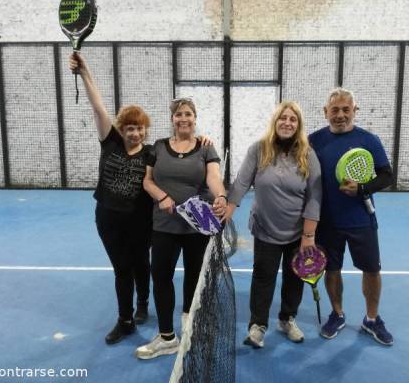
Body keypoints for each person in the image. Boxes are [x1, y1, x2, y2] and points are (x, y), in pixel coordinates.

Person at [69, 53, 153, 345]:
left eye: (139, 127)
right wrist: (84, 72)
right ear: (122, 128)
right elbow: (97, 106)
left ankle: (143, 303)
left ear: (146, 130)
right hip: (107, 219)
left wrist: (204, 143)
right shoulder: (111, 141)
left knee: (142, 263)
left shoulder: (152, 153)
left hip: (141, 221)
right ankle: (125, 320)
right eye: (129, 127)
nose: (134, 132)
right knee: (122, 269)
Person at [135, 97, 227, 360]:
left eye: (188, 114)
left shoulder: (206, 148)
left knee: (194, 277)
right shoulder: (158, 147)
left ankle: (190, 324)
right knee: (161, 276)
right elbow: (147, 181)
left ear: (195, 118)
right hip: (164, 226)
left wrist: (220, 196)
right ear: (173, 119)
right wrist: (162, 197)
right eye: (179, 114)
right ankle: (167, 337)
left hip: (196, 227)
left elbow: (213, 177)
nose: (183, 118)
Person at [224, 101, 322, 349]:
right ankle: (257, 326)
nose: (287, 123)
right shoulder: (259, 149)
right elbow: (241, 182)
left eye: (293, 119)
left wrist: (308, 235)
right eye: (283, 118)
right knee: (263, 277)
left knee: (294, 278)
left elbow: (314, 195)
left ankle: (287, 319)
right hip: (265, 229)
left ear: (298, 125)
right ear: (275, 121)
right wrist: (227, 212)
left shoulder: (307, 154)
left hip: (297, 232)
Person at [308, 87, 394, 346]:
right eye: (335, 110)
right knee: (331, 270)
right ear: (326, 113)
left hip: (361, 220)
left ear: (354, 111)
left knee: (371, 270)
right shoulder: (313, 141)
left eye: (346, 109)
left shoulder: (369, 140)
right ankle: (337, 314)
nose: (341, 115)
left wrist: (363, 189)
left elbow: (387, 175)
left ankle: (372, 318)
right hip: (327, 222)